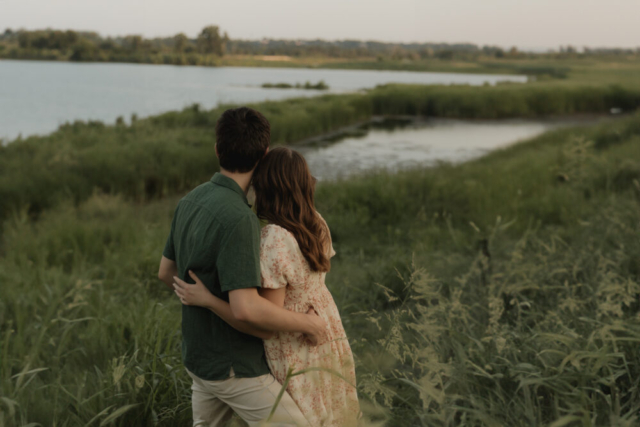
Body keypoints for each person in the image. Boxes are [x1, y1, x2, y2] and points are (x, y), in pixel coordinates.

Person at [157, 107, 327, 427]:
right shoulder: (240, 219)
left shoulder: (190, 200)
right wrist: (309, 324)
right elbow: (247, 310)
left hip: (198, 357)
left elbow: (166, 273)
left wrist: (202, 298)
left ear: (217, 149)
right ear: (263, 154)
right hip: (234, 367)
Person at [174, 147, 360, 426]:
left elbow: (266, 318)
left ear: (266, 188)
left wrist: (210, 299)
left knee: (303, 413)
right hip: (328, 326)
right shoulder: (316, 222)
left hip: (295, 342)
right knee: (328, 406)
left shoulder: (274, 237)